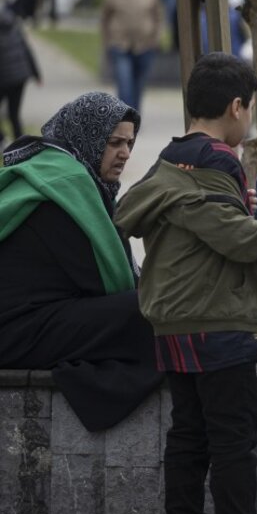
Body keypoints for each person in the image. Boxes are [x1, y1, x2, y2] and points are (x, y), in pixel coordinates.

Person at [114, 54, 257, 514]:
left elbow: (205, 223)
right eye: (249, 109)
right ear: (236, 107)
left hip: (177, 324)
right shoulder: (216, 159)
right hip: (219, 322)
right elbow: (235, 237)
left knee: (188, 436)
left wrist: (236, 204)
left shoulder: (173, 158)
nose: (248, 118)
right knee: (232, 442)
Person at [0, 92, 162, 431]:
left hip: (31, 319)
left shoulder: (56, 173)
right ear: (87, 137)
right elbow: (109, 285)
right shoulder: (67, 187)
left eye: (129, 143)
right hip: (16, 332)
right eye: (114, 142)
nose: (125, 154)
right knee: (148, 311)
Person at [101, 0, 166, 113]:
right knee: (124, 83)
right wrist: (107, 42)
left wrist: (156, 38)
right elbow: (105, 18)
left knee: (138, 84)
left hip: (145, 45)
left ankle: (134, 115)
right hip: (120, 45)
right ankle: (124, 116)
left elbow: (158, 15)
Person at [0, 4, 41, 149]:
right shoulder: (13, 24)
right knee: (14, 115)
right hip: (19, 77)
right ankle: (21, 147)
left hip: (5, 78)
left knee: (11, 114)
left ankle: (3, 141)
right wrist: (37, 74)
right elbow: (26, 49)